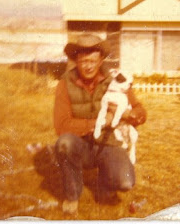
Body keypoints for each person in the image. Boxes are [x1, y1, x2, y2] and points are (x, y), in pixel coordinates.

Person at [53, 34, 146, 215]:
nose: (88, 66)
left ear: (101, 59)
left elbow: (140, 111)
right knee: (64, 143)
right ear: (75, 60)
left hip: (109, 143)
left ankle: (105, 185)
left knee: (125, 182)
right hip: (80, 145)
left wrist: (128, 115)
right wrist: (98, 122)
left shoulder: (115, 79)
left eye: (93, 61)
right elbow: (61, 125)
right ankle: (72, 195)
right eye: (83, 61)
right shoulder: (65, 84)